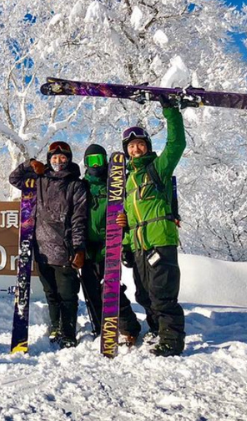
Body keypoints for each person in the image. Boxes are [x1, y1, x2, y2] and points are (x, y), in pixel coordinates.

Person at [116, 98, 187, 357]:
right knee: (144, 294)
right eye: (131, 146)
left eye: (140, 144)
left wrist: (171, 111)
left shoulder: (158, 169)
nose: (136, 149)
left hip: (160, 240)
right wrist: (125, 244)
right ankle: (156, 330)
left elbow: (177, 144)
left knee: (163, 294)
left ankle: (172, 341)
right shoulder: (127, 181)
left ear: (147, 147)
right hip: (138, 245)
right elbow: (126, 217)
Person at [9, 142, 88, 348]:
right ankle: (55, 326)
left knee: (68, 296)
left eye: (63, 158)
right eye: (54, 157)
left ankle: (69, 333)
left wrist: (79, 249)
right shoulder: (39, 180)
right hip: (41, 251)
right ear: (49, 159)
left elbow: (79, 219)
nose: (58, 161)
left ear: (69, 159)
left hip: (65, 250)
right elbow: (14, 178)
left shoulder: (76, 185)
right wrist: (30, 164)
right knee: (51, 294)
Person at [80, 144, 142, 345]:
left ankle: (129, 328)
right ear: (86, 163)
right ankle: (101, 328)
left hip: (111, 244)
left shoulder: (116, 185)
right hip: (88, 247)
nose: (96, 164)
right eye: (91, 161)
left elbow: (132, 207)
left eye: (99, 159)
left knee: (111, 288)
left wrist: (126, 222)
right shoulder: (82, 186)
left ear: (106, 160)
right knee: (90, 290)